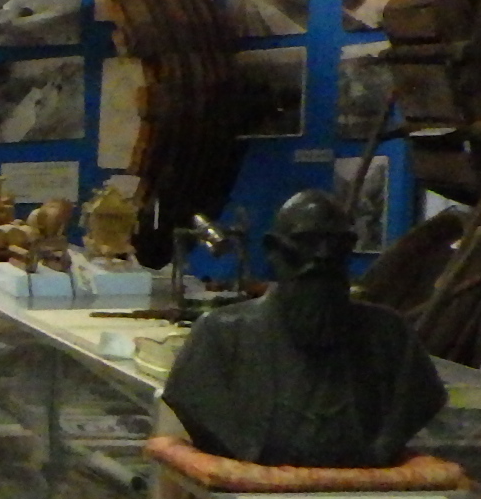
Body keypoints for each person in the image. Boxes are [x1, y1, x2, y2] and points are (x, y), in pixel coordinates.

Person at [161, 189, 445, 468]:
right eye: (307, 241)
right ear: (274, 249)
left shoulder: (391, 336)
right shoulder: (218, 337)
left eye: (336, 243)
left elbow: (421, 401)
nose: (323, 255)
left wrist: (380, 447)